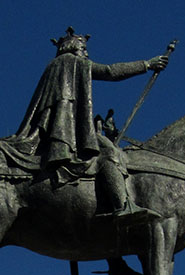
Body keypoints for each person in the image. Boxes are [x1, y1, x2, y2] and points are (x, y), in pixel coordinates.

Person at [14, 28, 169, 222]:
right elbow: (109, 71)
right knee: (111, 153)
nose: (86, 54)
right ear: (72, 48)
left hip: (59, 125)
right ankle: (122, 205)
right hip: (67, 129)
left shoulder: (53, 66)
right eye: (83, 49)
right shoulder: (72, 61)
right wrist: (146, 64)